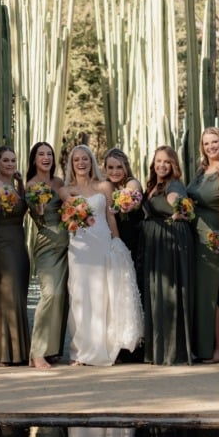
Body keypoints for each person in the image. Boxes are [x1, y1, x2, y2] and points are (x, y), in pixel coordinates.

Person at [60, 144, 142, 366]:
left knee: (103, 296)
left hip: (102, 242)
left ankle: (104, 347)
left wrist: (116, 242)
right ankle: (80, 351)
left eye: (85, 159)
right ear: (71, 164)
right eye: (76, 159)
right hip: (80, 246)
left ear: (92, 162)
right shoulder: (66, 190)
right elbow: (68, 216)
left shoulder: (104, 186)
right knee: (79, 296)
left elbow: (110, 217)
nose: (81, 163)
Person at [187, 127, 219, 362]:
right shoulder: (201, 170)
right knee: (200, 291)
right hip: (193, 233)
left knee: (211, 292)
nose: (210, 147)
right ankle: (201, 344)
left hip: (211, 235)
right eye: (206, 143)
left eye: (214, 142)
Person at [140, 146, 193, 366]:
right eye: (158, 161)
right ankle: (156, 350)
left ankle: (171, 350)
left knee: (169, 294)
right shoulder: (153, 185)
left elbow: (176, 199)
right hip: (155, 241)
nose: (162, 165)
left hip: (170, 240)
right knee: (156, 293)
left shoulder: (174, 185)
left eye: (167, 162)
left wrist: (177, 207)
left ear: (174, 165)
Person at [0, 145, 30, 366]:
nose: (10, 164)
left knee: (18, 293)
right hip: (2, 242)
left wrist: (21, 184)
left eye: (13, 160)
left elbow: (22, 206)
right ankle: (0, 352)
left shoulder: (13, 185)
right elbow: (5, 208)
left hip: (19, 242)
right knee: (7, 292)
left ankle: (18, 351)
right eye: (6, 160)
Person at [26, 142, 68, 369]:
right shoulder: (31, 185)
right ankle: (37, 352)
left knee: (62, 296)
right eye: (41, 154)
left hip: (67, 242)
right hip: (47, 243)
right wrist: (40, 204)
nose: (46, 158)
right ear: (34, 159)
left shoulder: (59, 182)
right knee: (50, 293)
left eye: (49, 154)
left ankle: (52, 349)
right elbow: (37, 214)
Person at [104, 148, 146, 360]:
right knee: (117, 293)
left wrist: (126, 202)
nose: (115, 171)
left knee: (134, 290)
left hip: (135, 242)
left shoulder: (132, 184)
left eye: (119, 166)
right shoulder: (105, 187)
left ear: (126, 167)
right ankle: (119, 343)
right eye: (110, 167)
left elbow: (134, 200)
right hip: (115, 244)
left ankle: (137, 345)